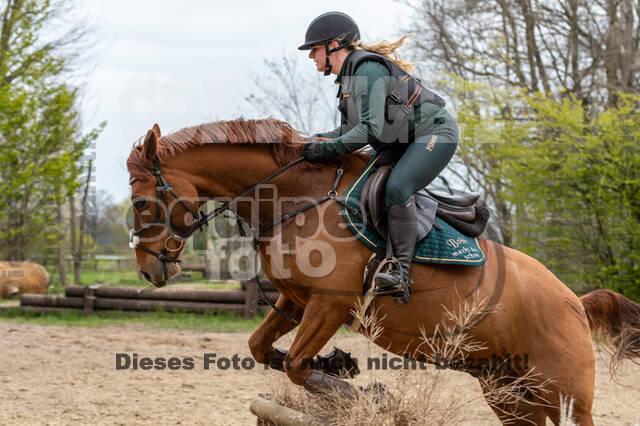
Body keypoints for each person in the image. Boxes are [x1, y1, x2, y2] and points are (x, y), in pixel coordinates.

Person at [300, 11, 458, 303]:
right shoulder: (348, 81)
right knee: (360, 182)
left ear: (334, 45)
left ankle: (400, 271)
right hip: (402, 143)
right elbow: (345, 131)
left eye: (314, 49)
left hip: (434, 133)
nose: (311, 56)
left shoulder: (365, 70)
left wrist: (321, 150)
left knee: (397, 187)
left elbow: (366, 131)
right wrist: (307, 141)